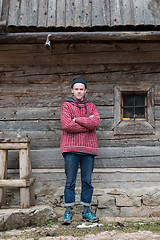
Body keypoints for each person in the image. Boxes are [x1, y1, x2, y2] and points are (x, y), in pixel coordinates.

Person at [60, 77, 100, 225]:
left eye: (81, 89)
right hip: (70, 149)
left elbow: (95, 122)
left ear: (85, 91)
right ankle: (68, 211)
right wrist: (86, 122)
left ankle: (86, 211)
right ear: (72, 90)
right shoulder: (66, 106)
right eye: (76, 89)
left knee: (87, 181)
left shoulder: (92, 106)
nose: (79, 91)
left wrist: (76, 119)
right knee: (70, 181)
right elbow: (66, 125)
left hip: (89, 149)